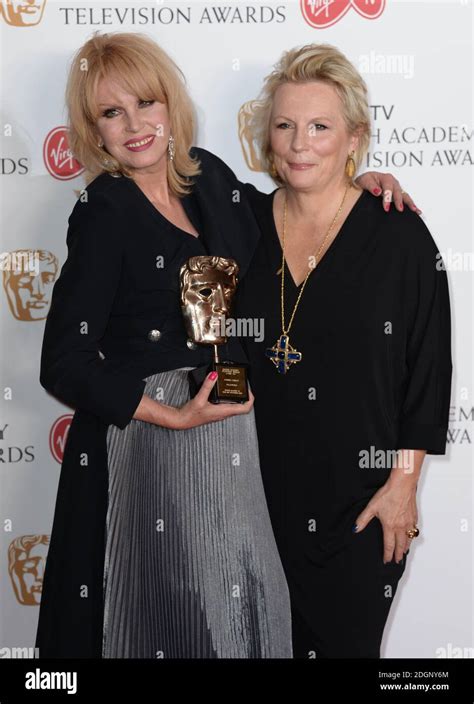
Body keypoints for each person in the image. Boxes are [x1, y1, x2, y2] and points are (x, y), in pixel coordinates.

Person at [35, 31, 414, 659]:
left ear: (171, 105)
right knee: (169, 618)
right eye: (111, 112)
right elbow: (63, 361)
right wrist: (173, 415)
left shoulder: (208, 176)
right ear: (92, 129)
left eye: (147, 104)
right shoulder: (103, 211)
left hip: (232, 436)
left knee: (237, 616)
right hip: (152, 451)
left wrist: (356, 183)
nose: (134, 125)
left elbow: (284, 218)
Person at [235, 43, 452, 658]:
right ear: (268, 136)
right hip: (254, 501)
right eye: (285, 125)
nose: (301, 143)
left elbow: (428, 368)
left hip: (362, 507)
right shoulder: (242, 223)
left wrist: (403, 486)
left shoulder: (397, 232)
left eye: (320, 126)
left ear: (354, 136)